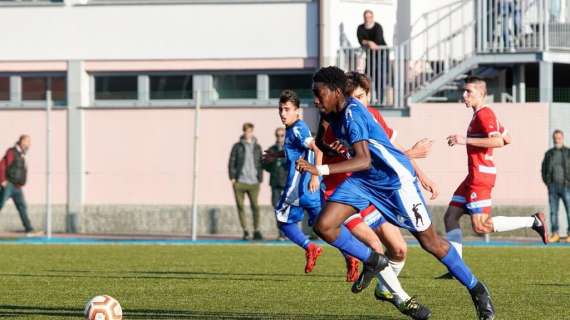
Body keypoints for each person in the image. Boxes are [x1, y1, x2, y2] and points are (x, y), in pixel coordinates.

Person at [297, 66, 495, 320]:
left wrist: (320, 169)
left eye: (319, 92)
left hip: (394, 182)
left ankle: (477, 289)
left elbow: (363, 160)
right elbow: (324, 141)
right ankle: (375, 261)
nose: (314, 98)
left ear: (336, 92)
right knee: (324, 226)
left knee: (430, 243)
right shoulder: (332, 111)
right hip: (363, 182)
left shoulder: (353, 115)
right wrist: (328, 141)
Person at [316, 71, 433, 319]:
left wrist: (420, 173)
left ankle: (382, 287)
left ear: (368, 95)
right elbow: (323, 144)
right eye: (353, 96)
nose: (357, 101)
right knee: (374, 245)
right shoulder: (336, 114)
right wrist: (325, 160)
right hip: (342, 190)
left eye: (361, 96)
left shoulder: (373, 116)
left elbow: (394, 153)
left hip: (371, 190)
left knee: (400, 249)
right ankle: (403, 300)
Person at [440, 76, 547, 271]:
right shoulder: (481, 114)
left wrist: (465, 140)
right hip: (472, 175)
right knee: (450, 217)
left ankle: (534, 220)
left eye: (468, 92)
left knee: (481, 227)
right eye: (464, 91)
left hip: (481, 175)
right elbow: (507, 138)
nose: (464, 95)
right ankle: (456, 267)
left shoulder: (484, 114)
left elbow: (497, 142)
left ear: (481, 94)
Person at [263, 90, 324, 273]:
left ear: (297, 110)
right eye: (280, 109)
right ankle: (351, 256)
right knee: (325, 227)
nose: (282, 113)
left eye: (287, 109)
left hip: (299, 187)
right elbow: (298, 151)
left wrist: (315, 174)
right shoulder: (292, 129)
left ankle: (310, 247)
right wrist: (277, 154)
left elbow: (317, 148)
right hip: (309, 187)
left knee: (282, 218)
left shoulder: (298, 128)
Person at [228, 123, 263, 240]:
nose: (248, 133)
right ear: (243, 132)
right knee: (241, 207)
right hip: (240, 181)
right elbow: (231, 161)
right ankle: (246, 231)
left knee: (255, 207)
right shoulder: (237, 146)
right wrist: (232, 178)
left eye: (250, 131)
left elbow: (260, 163)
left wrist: (260, 178)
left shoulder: (257, 147)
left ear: (252, 132)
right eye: (246, 131)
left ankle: (256, 230)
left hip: (254, 182)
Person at [0, 135, 37, 235]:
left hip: (17, 187)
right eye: (27, 141)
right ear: (22, 142)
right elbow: (2, 165)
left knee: (22, 207)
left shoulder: (22, 154)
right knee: (0, 204)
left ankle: (29, 229)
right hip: (9, 185)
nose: (29, 144)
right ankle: (29, 228)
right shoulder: (11, 152)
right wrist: (2, 180)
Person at [541, 129, 570, 243]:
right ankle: (555, 234)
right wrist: (548, 183)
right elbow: (543, 170)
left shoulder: (568, 152)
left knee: (569, 210)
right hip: (552, 187)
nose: (557, 140)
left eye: (559, 138)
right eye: (555, 138)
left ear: (562, 138)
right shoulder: (549, 154)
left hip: (566, 187)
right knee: (553, 212)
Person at [357, 9, 388, 104]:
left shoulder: (378, 27)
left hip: (381, 55)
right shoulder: (361, 28)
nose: (368, 19)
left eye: (369, 17)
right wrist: (369, 42)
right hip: (370, 56)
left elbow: (377, 43)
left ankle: (380, 100)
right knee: (368, 77)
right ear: (364, 18)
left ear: (372, 17)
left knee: (380, 77)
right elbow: (361, 41)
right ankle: (369, 99)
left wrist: (367, 43)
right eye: (366, 17)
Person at [262, 127, 288, 240]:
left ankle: (289, 233)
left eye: (282, 135)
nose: (279, 138)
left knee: (288, 209)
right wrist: (272, 167)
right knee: (277, 208)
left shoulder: (289, 148)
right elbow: (264, 165)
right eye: (278, 135)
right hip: (275, 182)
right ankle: (281, 234)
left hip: (288, 182)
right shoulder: (272, 149)